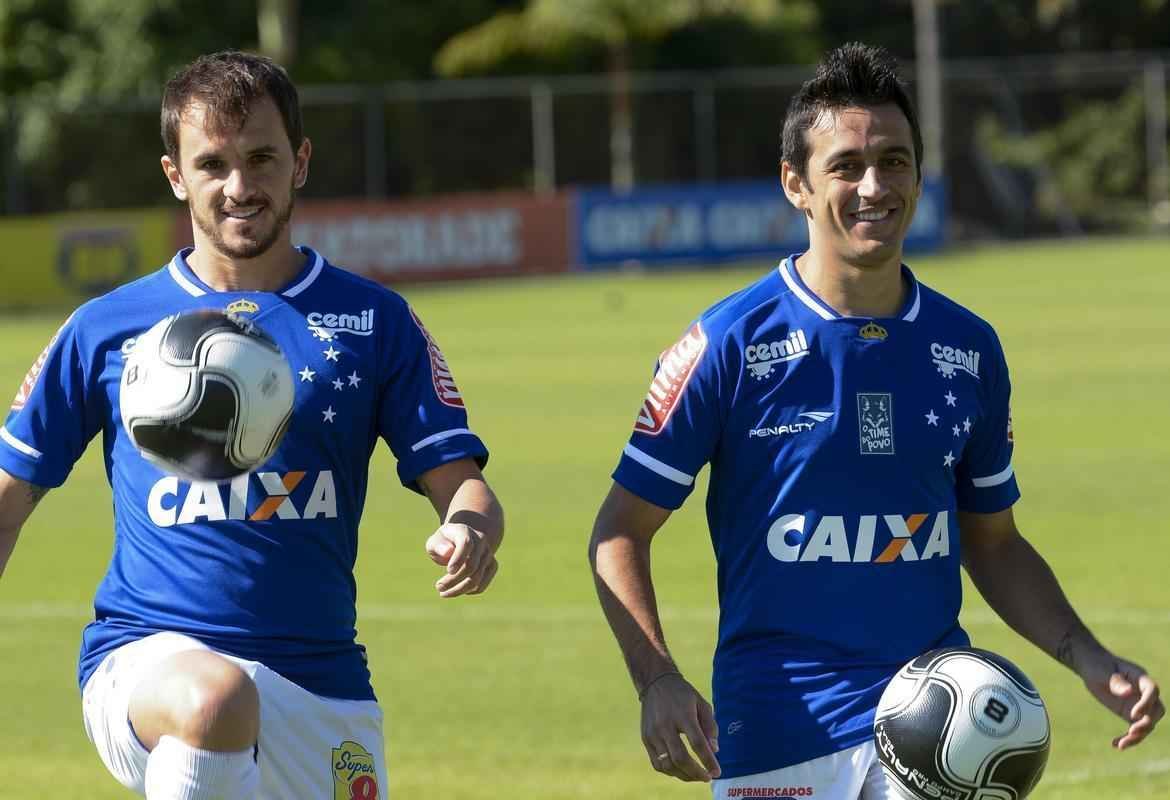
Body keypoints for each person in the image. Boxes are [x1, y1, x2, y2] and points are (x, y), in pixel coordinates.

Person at [588, 42, 1162, 798]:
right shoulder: (727, 344)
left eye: (895, 161)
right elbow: (620, 531)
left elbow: (992, 542)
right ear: (795, 183)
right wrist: (655, 678)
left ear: (921, 175)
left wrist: (1088, 655)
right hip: (777, 739)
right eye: (846, 165)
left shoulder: (968, 349)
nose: (874, 186)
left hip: (937, 733)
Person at [0, 51, 504, 800]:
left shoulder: (376, 321)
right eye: (213, 164)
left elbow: (464, 487)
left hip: (322, 687)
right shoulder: (103, 328)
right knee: (215, 698)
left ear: (299, 161)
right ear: (176, 176)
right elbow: (9, 493)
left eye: (261, 158)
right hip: (149, 665)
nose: (240, 187)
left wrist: (469, 530)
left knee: (228, 703)